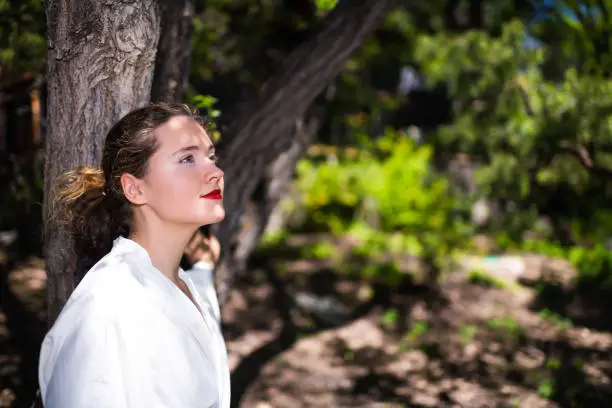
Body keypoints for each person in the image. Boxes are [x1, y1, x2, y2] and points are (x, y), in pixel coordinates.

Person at [38, 103, 230, 408]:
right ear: (136, 189)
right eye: (187, 159)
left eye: (210, 157)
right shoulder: (105, 310)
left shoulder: (180, 286)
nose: (216, 172)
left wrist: (204, 268)